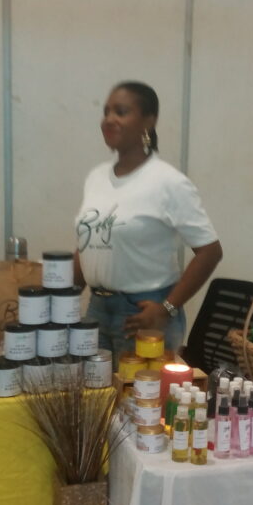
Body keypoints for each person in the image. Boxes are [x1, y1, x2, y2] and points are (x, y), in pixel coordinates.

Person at [74, 82, 223, 361]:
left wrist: (167, 309)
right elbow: (87, 243)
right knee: (94, 389)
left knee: (140, 390)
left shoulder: (168, 182)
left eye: (121, 112)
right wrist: (60, 304)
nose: (109, 119)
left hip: (143, 313)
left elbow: (210, 251)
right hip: (97, 309)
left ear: (149, 121)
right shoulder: (96, 177)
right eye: (106, 112)